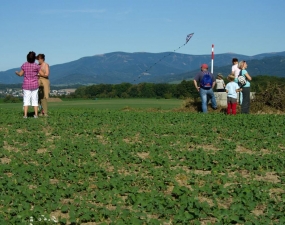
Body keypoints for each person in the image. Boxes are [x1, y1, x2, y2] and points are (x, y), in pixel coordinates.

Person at [15, 51, 44, 118]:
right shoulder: (36, 65)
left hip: (26, 85)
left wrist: (17, 73)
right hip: (34, 85)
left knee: (26, 100)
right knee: (35, 99)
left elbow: (20, 74)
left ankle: (25, 115)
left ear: (27, 58)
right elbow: (42, 74)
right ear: (34, 58)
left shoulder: (24, 65)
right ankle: (36, 114)